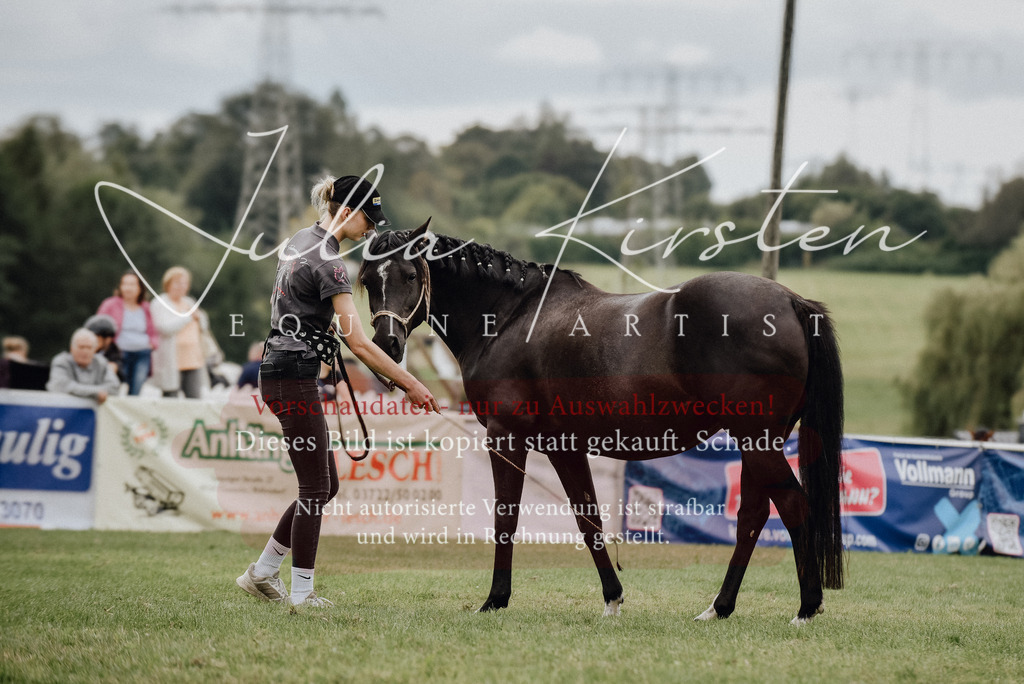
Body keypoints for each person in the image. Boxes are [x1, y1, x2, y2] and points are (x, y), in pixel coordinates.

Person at [236, 174, 440, 610]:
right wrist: (411, 383)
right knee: (315, 487)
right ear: (346, 211)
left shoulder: (299, 241)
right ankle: (302, 593)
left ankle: (263, 572)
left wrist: (319, 328)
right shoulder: (330, 263)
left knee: (323, 485)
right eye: (368, 219)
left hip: (281, 368)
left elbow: (297, 308)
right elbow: (360, 342)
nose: (371, 229)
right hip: (293, 375)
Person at [97, 271, 159, 396]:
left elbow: (154, 331)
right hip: (118, 354)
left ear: (140, 288)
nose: (128, 288)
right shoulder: (110, 304)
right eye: (125, 284)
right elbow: (98, 326)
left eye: (132, 284)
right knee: (113, 387)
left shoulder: (146, 307)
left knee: (135, 391)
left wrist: (152, 344)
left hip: (142, 354)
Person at [151, 266, 206, 399]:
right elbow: (164, 328)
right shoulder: (160, 302)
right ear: (168, 284)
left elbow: (204, 325)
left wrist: (198, 318)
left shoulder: (189, 301)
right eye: (177, 283)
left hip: (193, 358)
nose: (181, 286)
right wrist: (187, 316)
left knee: (194, 398)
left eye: (184, 283)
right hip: (172, 358)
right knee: (171, 397)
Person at [46, 328, 120, 403]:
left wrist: (81, 391)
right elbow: (61, 386)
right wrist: (96, 393)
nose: (85, 351)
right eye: (81, 347)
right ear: (71, 348)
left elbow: (114, 387)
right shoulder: (61, 361)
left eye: (89, 347)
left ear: (95, 350)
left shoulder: (101, 362)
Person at [84, 314, 123, 381]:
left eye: (96, 337)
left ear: (108, 339)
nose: (91, 340)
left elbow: (114, 369)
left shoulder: (114, 354)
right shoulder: (83, 350)